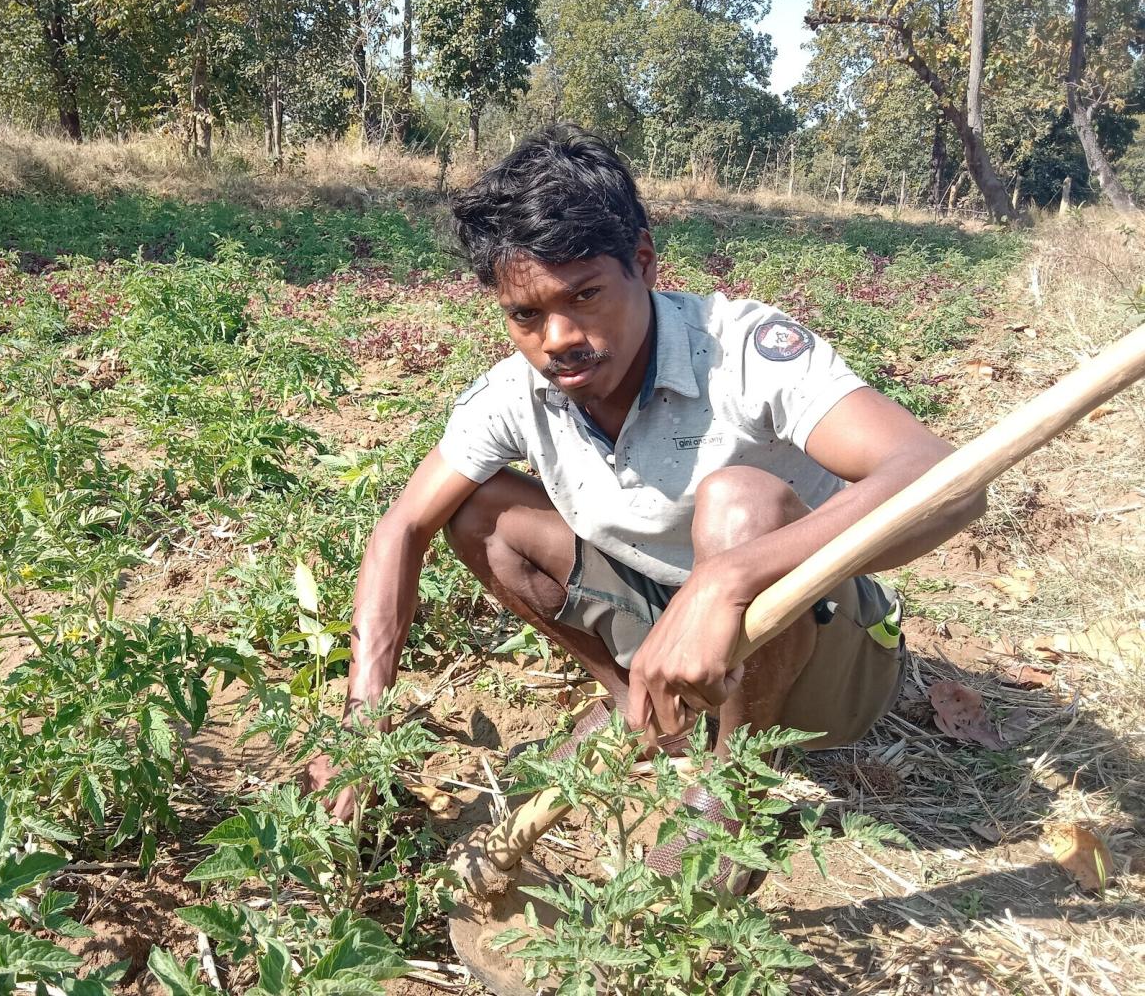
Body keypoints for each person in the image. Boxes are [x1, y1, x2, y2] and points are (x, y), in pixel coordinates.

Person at [306, 125, 984, 879]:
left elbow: (942, 479)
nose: (557, 338)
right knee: (479, 511)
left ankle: (733, 784)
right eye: (525, 315)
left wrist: (726, 580)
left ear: (645, 263)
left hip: (822, 663)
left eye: (585, 296)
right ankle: (644, 707)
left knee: (740, 503)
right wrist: (363, 721)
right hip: (665, 618)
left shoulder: (741, 352)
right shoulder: (521, 391)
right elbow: (402, 526)